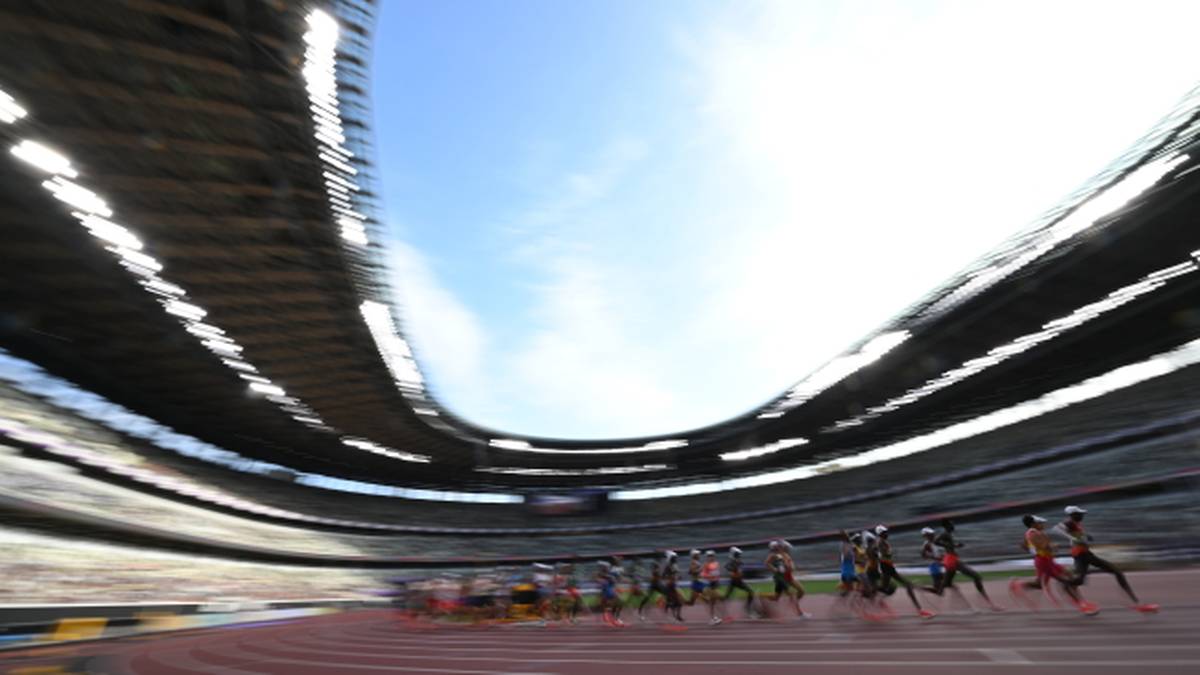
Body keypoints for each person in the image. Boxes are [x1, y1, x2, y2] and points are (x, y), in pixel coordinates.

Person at [1056, 506, 1158, 613]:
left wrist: (1085, 536)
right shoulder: (1070, 522)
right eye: (1080, 514)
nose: (1082, 515)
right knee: (1110, 574)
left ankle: (1137, 604)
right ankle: (1065, 584)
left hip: (1086, 554)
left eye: (1082, 514)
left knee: (1114, 573)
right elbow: (1057, 529)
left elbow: (1076, 537)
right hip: (1081, 555)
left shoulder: (1076, 524)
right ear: (1073, 515)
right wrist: (1072, 538)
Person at [1011, 515, 1098, 615]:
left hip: (1046, 561)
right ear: (1033, 524)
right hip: (1044, 562)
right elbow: (1044, 546)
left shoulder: (1032, 533)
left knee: (1041, 584)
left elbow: (1024, 546)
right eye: (1040, 523)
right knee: (1066, 581)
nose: (1043, 524)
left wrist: (1036, 551)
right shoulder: (1033, 534)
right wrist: (1052, 546)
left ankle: (1018, 585)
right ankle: (1082, 605)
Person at [931, 519, 1001, 610]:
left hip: (951, 559)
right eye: (951, 524)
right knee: (976, 577)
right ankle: (991, 605)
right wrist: (948, 546)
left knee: (943, 587)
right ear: (947, 526)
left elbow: (948, 545)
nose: (953, 525)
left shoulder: (949, 534)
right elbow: (935, 541)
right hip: (952, 560)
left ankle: (922, 588)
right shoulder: (945, 534)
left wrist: (955, 545)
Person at [874, 525, 936, 619]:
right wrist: (891, 553)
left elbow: (886, 554)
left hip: (889, 567)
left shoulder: (884, 542)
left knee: (891, 587)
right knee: (890, 587)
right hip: (885, 568)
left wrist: (890, 554)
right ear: (880, 534)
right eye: (884, 532)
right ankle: (867, 592)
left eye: (886, 532)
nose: (887, 534)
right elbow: (884, 554)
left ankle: (920, 611)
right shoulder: (880, 542)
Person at [723, 546, 758, 618]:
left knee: (751, 592)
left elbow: (741, 568)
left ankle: (747, 608)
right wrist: (734, 569)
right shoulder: (731, 562)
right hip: (733, 582)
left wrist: (739, 568)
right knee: (726, 597)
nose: (739, 556)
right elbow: (727, 567)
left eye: (738, 555)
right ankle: (721, 611)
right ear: (734, 554)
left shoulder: (739, 562)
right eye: (737, 554)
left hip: (739, 582)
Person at [637, 554, 668, 621]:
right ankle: (640, 611)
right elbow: (656, 575)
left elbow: (659, 576)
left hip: (657, 584)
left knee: (667, 593)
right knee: (647, 598)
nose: (661, 560)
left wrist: (662, 576)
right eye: (660, 558)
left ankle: (663, 608)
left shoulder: (658, 565)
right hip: (653, 585)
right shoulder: (655, 564)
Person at [701, 550, 725, 624]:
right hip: (710, 585)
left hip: (715, 584)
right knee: (717, 599)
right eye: (709, 556)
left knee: (713, 602)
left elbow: (718, 573)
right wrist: (710, 576)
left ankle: (713, 618)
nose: (711, 557)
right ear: (707, 557)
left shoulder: (716, 563)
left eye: (712, 556)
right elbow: (703, 574)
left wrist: (717, 578)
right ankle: (713, 618)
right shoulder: (706, 565)